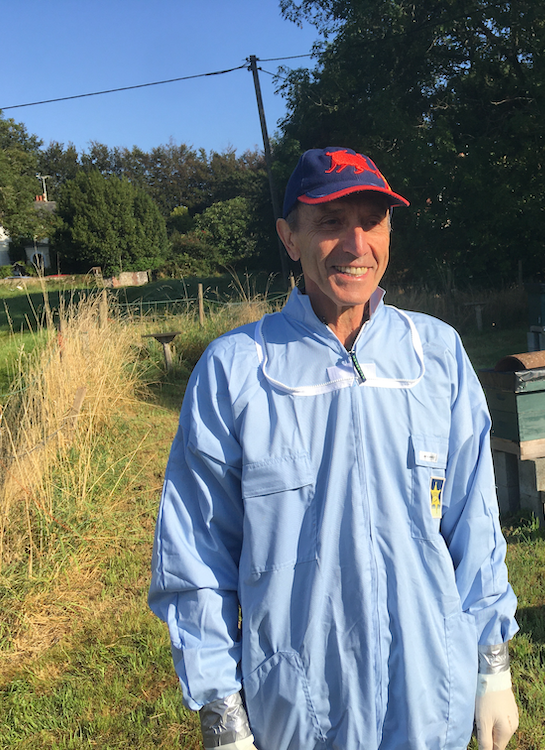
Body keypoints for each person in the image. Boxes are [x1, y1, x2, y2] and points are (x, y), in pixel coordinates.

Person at [149, 147, 520, 750]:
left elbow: (473, 524)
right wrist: (221, 711)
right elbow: (196, 554)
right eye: (329, 221)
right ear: (289, 238)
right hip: (299, 709)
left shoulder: (437, 356)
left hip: (432, 697)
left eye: (372, 220)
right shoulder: (238, 371)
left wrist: (492, 662)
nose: (356, 244)